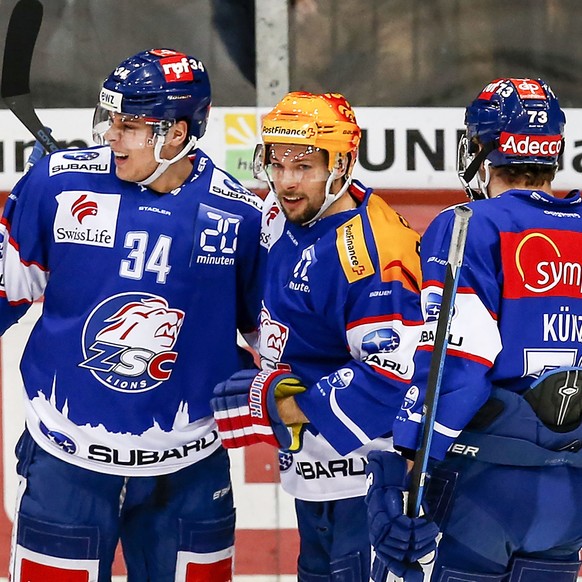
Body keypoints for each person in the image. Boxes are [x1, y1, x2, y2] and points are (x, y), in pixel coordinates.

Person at [5, 48, 264, 581]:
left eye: (130, 126)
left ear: (178, 133)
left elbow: (273, 340)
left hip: (188, 473)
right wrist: (37, 199)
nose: (111, 138)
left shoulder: (240, 217)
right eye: (110, 121)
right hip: (65, 463)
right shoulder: (58, 185)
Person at [365, 77, 582, 582]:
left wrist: (414, 459)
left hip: (484, 490)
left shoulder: (468, 225)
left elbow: (458, 365)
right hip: (570, 495)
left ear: (480, 148)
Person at [211, 91, 424, 581]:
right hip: (313, 480)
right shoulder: (280, 214)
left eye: (304, 166)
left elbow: (393, 373)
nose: (286, 181)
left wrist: (288, 406)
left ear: (343, 163)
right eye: (277, 163)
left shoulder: (373, 257)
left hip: (368, 489)